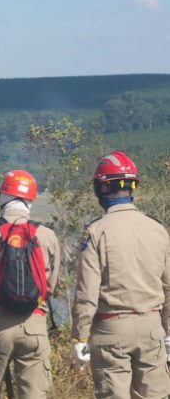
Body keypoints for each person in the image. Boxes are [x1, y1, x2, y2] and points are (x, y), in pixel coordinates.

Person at [71, 150, 170, 399]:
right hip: (152, 328)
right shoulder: (157, 230)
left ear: (102, 188)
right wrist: (168, 331)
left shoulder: (96, 232)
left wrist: (80, 336)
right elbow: (169, 287)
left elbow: (87, 292)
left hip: (111, 329)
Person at [0, 169, 60, 398]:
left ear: (2, 196)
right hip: (34, 326)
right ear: (30, 200)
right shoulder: (47, 235)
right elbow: (50, 287)